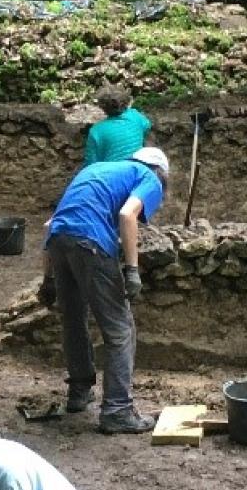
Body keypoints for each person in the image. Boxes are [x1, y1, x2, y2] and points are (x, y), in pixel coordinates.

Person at [39, 147, 170, 434]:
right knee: (120, 328)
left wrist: (47, 278)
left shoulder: (96, 171)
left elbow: (51, 224)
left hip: (59, 242)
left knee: (73, 320)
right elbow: (127, 215)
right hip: (91, 245)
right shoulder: (148, 176)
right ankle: (118, 410)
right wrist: (132, 270)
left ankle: (79, 392)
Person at [83, 87, 152, 166]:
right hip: (137, 169)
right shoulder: (135, 116)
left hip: (110, 173)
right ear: (127, 102)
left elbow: (91, 163)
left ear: (102, 107)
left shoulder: (96, 131)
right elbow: (147, 126)